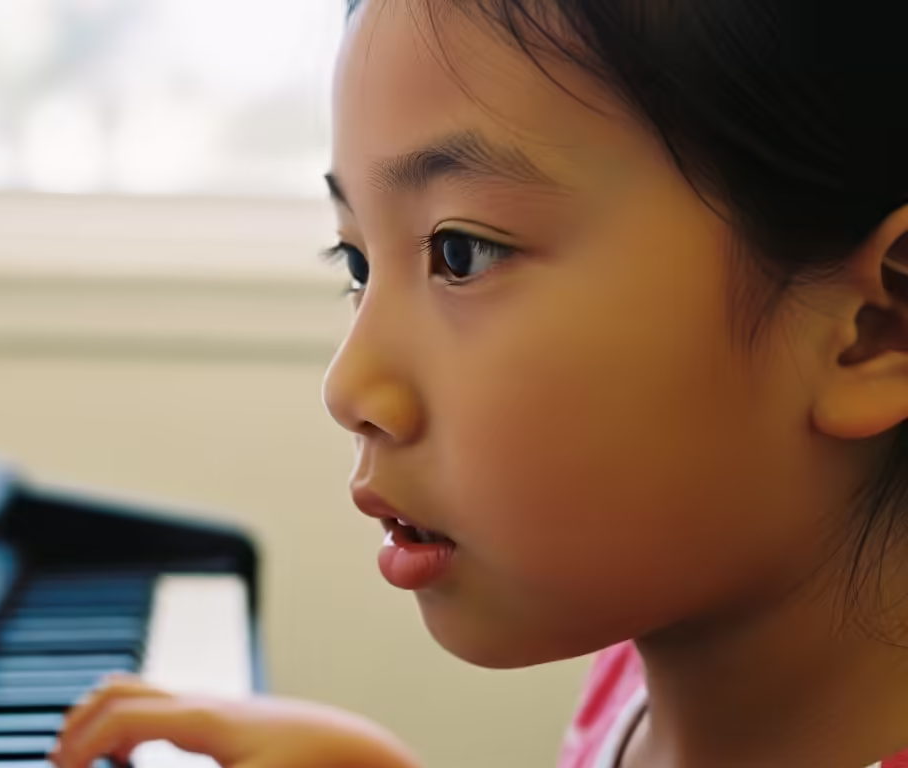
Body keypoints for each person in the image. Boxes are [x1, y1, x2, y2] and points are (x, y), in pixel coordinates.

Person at [50, 0, 908, 764]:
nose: (350, 387)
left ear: (876, 330)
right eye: (356, 260)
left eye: (461, 252)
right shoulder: (633, 686)